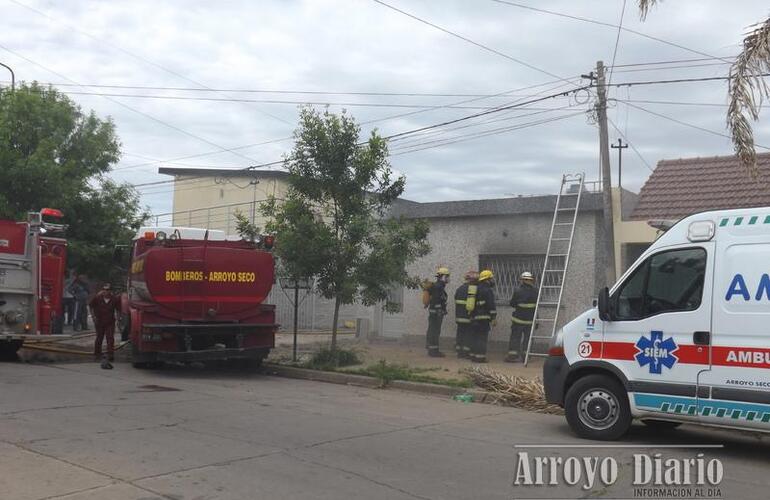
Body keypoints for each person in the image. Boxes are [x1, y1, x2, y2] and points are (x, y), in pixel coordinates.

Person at [506, 271, 538, 363]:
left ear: (522, 280)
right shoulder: (536, 291)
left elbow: (512, 303)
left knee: (515, 337)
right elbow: (537, 306)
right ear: (531, 280)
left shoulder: (518, 290)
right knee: (528, 338)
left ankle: (512, 356)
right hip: (530, 320)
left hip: (518, 320)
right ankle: (526, 356)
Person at [470, 269, 496, 363]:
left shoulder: (475, 288)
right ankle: (480, 357)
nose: (493, 280)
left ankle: (473, 355)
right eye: (491, 278)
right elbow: (491, 305)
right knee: (482, 337)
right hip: (484, 318)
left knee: (475, 337)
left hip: (474, 317)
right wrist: (493, 317)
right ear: (487, 279)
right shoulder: (487, 290)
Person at [89, 283, 120, 362]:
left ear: (111, 291)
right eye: (104, 290)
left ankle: (110, 354)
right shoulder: (97, 298)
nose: (106, 292)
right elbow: (91, 307)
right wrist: (93, 317)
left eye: (108, 290)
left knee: (110, 338)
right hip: (99, 321)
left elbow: (118, 310)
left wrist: (118, 319)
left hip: (110, 322)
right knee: (99, 337)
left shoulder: (115, 299)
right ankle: (97, 354)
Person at [425, 267, 450, 357]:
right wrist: (439, 310)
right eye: (447, 276)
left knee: (433, 330)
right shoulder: (438, 287)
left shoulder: (438, 286)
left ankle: (432, 349)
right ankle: (433, 351)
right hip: (436, 313)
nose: (448, 278)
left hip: (434, 312)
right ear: (443, 277)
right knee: (435, 331)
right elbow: (436, 300)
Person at [453, 270, 478, 359]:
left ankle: (459, 351)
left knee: (460, 333)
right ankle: (466, 352)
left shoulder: (459, 289)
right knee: (468, 334)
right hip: (468, 316)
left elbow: (456, 299)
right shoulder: (473, 290)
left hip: (459, 316)